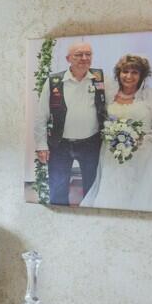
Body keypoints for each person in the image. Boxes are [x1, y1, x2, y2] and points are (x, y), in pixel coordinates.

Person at [81, 54, 152, 212]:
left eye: (135, 72)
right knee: (114, 194)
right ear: (119, 73)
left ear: (142, 76)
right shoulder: (109, 95)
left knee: (141, 197)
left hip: (146, 155)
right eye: (125, 71)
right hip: (114, 154)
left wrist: (142, 137)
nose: (129, 76)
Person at [35, 40, 107, 206]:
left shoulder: (99, 78)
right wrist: (41, 145)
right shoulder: (54, 81)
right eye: (78, 55)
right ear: (68, 58)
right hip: (60, 144)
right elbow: (41, 116)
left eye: (88, 54)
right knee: (58, 187)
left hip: (91, 143)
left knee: (92, 187)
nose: (84, 58)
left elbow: (110, 105)